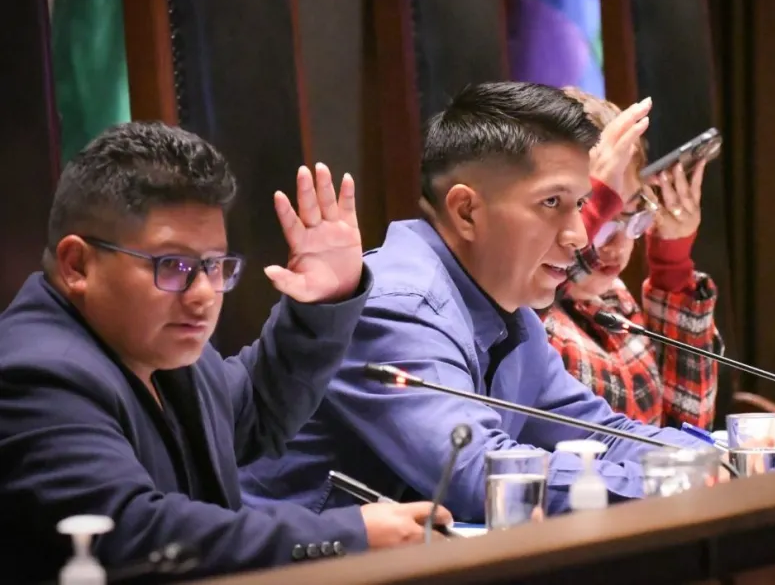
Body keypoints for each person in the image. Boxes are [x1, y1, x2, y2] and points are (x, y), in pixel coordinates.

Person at [239, 82, 775, 522]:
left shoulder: (509, 309)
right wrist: (689, 476)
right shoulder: (396, 304)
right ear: (467, 210)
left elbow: (602, 429)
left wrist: (729, 454)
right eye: (553, 204)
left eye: (581, 205)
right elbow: (480, 475)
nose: (577, 236)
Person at [0, 122, 450, 584]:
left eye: (214, 266)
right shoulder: (35, 375)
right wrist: (348, 534)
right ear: (78, 265)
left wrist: (326, 300)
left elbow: (255, 410)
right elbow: (134, 531)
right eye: (172, 266)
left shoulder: (157, 347)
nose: (203, 295)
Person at [541, 87, 719, 429]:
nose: (619, 244)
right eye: (601, 215)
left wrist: (672, 267)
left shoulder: (614, 301)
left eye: (634, 214)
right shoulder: (520, 313)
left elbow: (687, 429)